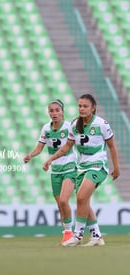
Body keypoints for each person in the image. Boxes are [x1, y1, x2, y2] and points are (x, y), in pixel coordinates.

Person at [43, 94, 120, 247]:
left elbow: (111, 146)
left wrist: (116, 167)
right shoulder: (74, 124)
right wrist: (51, 159)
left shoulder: (102, 124)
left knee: (81, 197)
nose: (82, 109)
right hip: (82, 167)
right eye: (80, 106)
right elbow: (67, 147)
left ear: (93, 108)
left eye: (85, 106)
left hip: (98, 166)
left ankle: (77, 235)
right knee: (83, 201)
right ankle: (97, 236)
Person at [24, 99, 76, 244]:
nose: (54, 113)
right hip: (55, 170)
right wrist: (31, 155)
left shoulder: (69, 127)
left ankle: (71, 233)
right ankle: (67, 232)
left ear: (62, 112)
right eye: (51, 111)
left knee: (65, 200)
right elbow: (39, 148)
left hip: (70, 167)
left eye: (57, 110)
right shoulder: (46, 128)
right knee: (60, 204)